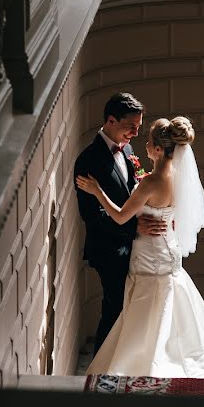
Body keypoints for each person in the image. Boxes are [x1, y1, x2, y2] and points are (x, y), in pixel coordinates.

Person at [75, 116, 204, 379]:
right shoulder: (177, 176)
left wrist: (96, 191)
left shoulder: (151, 182)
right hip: (168, 251)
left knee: (146, 306)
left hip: (150, 253)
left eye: (150, 142)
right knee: (165, 306)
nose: (146, 146)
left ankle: (146, 366)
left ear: (160, 149)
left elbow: (119, 216)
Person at [74, 92, 167, 357]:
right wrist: (134, 228)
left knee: (131, 308)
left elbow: (131, 192)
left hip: (135, 245)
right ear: (111, 121)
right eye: (131, 127)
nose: (136, 134)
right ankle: (100, 371)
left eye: (139, 127)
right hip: (108, 249)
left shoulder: (126, 149)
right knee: (114, 309)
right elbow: (92, 216)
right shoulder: (88, 161)